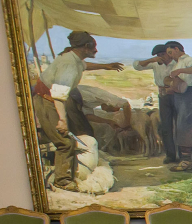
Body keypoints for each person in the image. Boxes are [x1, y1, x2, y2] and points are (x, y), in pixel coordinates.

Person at [31, 31, 124, 191]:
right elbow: (59, 96)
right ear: (86, 47)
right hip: (47, 101)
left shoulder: (74, 59)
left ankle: (64, 175)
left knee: (66, 141)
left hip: (49, 99)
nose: (96, 50)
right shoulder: (69, 65)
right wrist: (62, 120)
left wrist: (106, 66)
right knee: (65, 143)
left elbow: (85, 66)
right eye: (94, 47)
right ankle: (63, 182)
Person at [163, 41, 192, 171]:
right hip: (180, 97)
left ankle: (186, 161)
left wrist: (180, 70)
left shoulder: (188, 60)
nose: (170, 55)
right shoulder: (177, 63)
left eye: (170, 52)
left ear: (177, 49)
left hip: (189, 96)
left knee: (183, 128)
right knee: (188, 128)